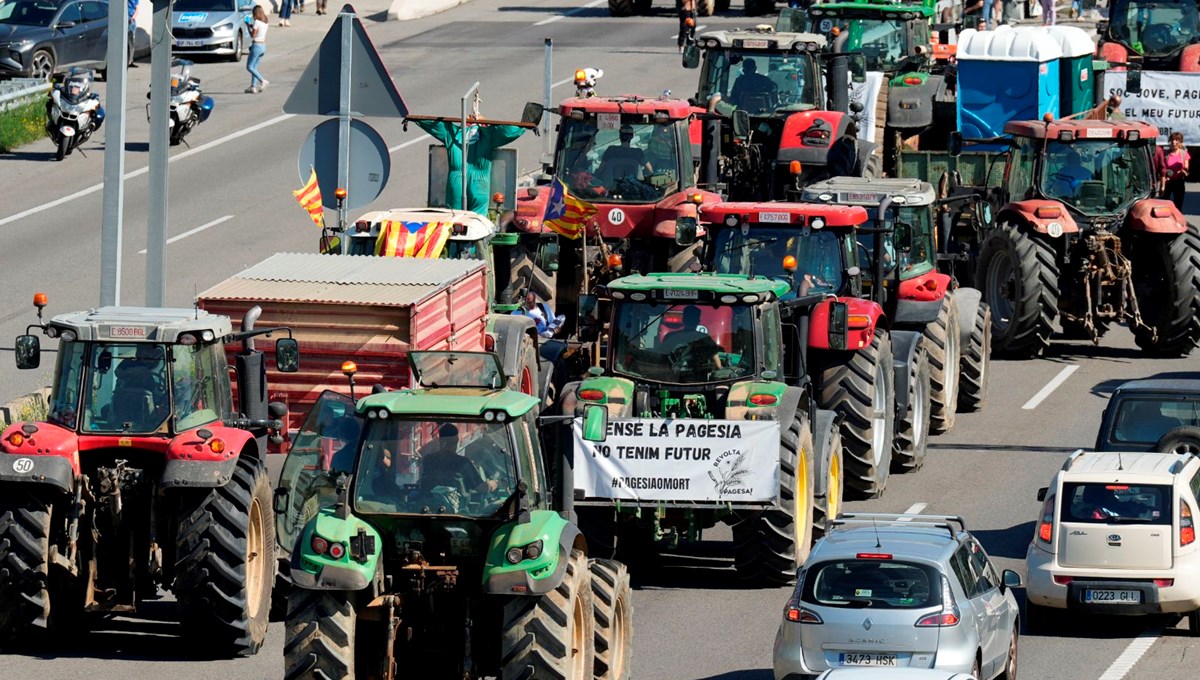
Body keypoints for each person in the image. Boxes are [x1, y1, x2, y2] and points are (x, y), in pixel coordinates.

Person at [411, 116, 529, 213]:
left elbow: (434, 124)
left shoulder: (453, 133)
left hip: (456, 182)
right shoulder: (488, 135)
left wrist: (416, 120)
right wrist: (524, 127)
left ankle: (453, 242)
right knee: (478, 225)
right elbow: (508, 132)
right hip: (480, 183)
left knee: (453, 221)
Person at [419, 424, 498, 495]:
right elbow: (481, 488)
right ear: (456, 441)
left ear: (439, 440)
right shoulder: (463, 463)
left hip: (428, 505)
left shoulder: (428, 459)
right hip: (459, 509)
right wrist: (493, 483)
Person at [660, 306, 723, 375]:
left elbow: (661, 364)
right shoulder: (705, 339)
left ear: (683, 319)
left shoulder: (670, 337)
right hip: (699, 383)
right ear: (698, 321)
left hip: (672, 381)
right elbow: (718, 366)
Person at [1162, 132, 1190, 210]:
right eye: (1172, 140)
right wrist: (1164, 177)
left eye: (1176, 140)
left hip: (1179, 183)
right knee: (1164, 205)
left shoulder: (1184, 154)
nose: (1174, 142)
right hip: (1167, 182)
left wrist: (1183, 172)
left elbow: (1186, 169)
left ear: (1180, 142)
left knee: (1178, 206)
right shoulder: (1165, 153)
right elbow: (1162, 168)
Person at [245, 6, 268, 94]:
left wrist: (248, 26)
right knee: (255, 67)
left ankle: (262, 81)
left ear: (255, 14)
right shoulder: (265, 21)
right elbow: (259, 30)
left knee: (249, 67)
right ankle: (252, 87)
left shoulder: (257, 22)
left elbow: (253, 35)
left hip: (256, 46)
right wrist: (251, 25)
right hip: (263, 46)